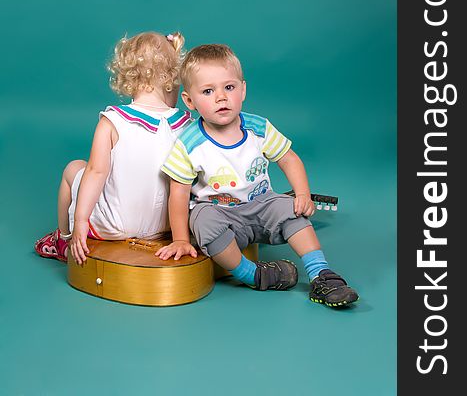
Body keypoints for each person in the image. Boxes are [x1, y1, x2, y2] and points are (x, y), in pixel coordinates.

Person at [157, 44, 358, 307]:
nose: (221, 97)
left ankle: (321, 275)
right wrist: (181, 240)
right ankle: (254, 274)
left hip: (263, 205)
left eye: (229, 88)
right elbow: (179, 193)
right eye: (208, 91)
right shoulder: (190, 143)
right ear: (190, 101)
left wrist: (302, 194)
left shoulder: (258, 128)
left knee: (291, 210)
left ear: (243, 90)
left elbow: (289, 159)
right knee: (202, 220)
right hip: (221, 213)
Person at [34, 31, 192, 265]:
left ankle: (63, 238)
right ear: (171, 79)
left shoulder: (112, 121)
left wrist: (81, 221)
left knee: (74, 168)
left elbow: (96, 173)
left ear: (127, 75)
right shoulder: (186, 123)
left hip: (115, 225)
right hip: (168, 225)